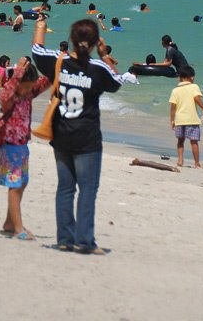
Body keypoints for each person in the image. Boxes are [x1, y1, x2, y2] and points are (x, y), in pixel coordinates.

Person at [32, 17, 122, 254]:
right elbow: (116, 83)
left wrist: (40, 26)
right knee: (87, 190)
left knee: (65, 188)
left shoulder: (58, 61)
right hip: (87, 137)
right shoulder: (98, 68)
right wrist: (104, 55)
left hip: (61, 134)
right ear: (94, 43)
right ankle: (84, 241)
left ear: (72, 40)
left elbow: (36, 50)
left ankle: (64, 238)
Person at [0, 56, 51, 240]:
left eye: (31, 87)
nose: (29, 90)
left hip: (21, 145)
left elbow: (48, 79)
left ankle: (9, 222)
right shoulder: (10, 97)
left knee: (22, 182)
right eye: (26, 86)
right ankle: (18, 229)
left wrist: (60, 62)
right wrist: (18, 72)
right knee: (14, 185)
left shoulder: (28, 93)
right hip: (9, 144)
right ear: (17, 82)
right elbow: (3, 95)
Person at [169, 66, 203, 168]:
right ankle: (196, 163)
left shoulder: (175, 91)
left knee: (180, 141)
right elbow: (197, 99)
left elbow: (173, 107)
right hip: (192, 119)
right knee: (194, 142)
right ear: (192, 77)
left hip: (179, 120)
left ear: (179, 78)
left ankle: (180, 160)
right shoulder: (194, 86)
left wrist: (172, 120)